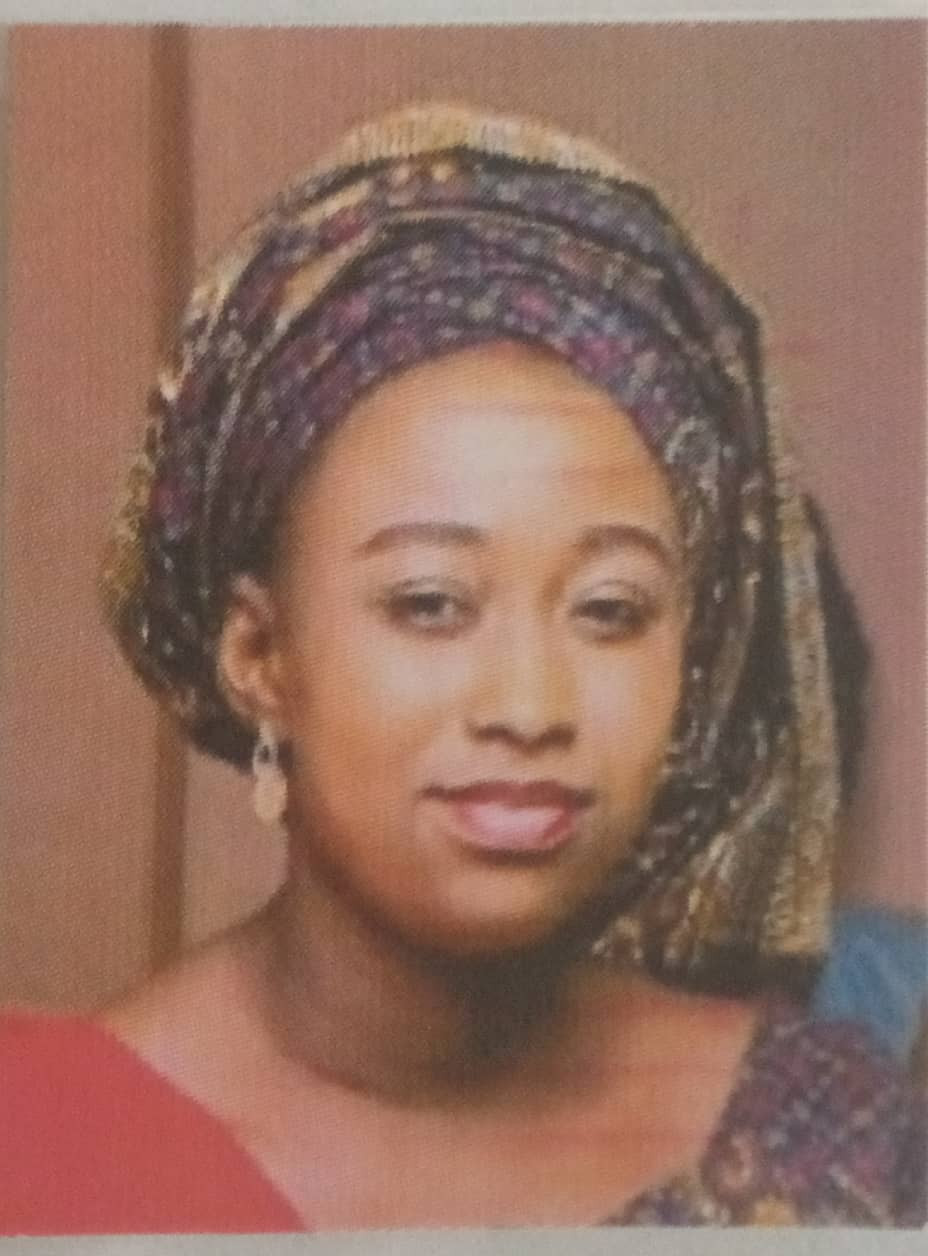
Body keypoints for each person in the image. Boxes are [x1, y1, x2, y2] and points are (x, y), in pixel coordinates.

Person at [1, 103, 924, 1233]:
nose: (529, 706)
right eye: (429, 603)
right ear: (259, 655)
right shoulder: (40, 1149)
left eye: (610, 611)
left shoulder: (842, 1143)